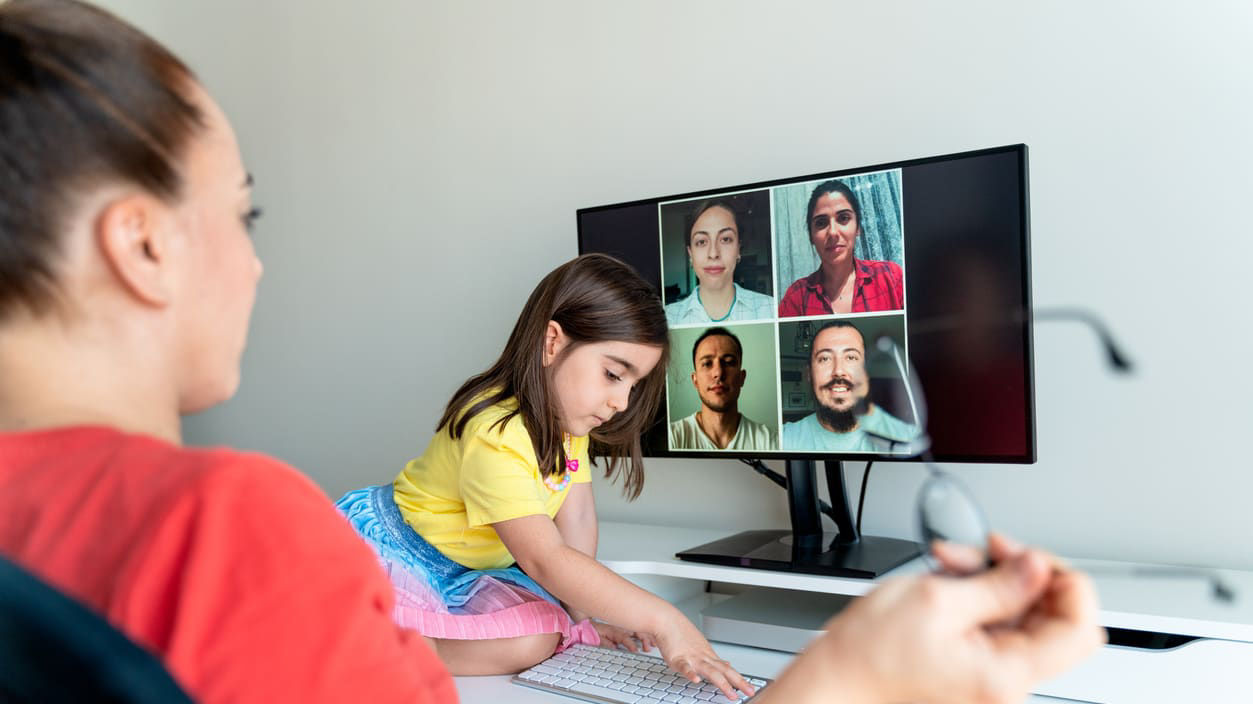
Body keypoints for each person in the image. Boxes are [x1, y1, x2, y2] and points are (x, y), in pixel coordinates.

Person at [0, 2, 1102, 703]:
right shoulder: (225, 529)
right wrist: (860, 676)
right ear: (141, 243)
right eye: (247, 214)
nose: (253, 264)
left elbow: (574, 540)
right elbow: (556, 559)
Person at [783, 321, 916, 452]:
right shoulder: (785, 439)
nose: (839, 371)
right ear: (809, 374)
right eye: (825, 358)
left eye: (851, 357)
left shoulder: (906, 440)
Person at [778, 179, 905, 316]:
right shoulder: (796, 297)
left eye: (844, 218)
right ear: (811, 236)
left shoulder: (891, 277)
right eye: (821, 223)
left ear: (858, 228)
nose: (832, 232)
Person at [664, 199, 774, 325]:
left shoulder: (770, 308)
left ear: (738, 249)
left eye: (726, 239)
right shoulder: (668, 318)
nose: (713, 254)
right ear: (690, 253)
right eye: (701, 242)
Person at [669, 327, 777, 450]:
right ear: (695, 380)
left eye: (729, 362)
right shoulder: (672, 437)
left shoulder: (769, 441)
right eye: (707, 364)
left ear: (742, 378)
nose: (718, 372)